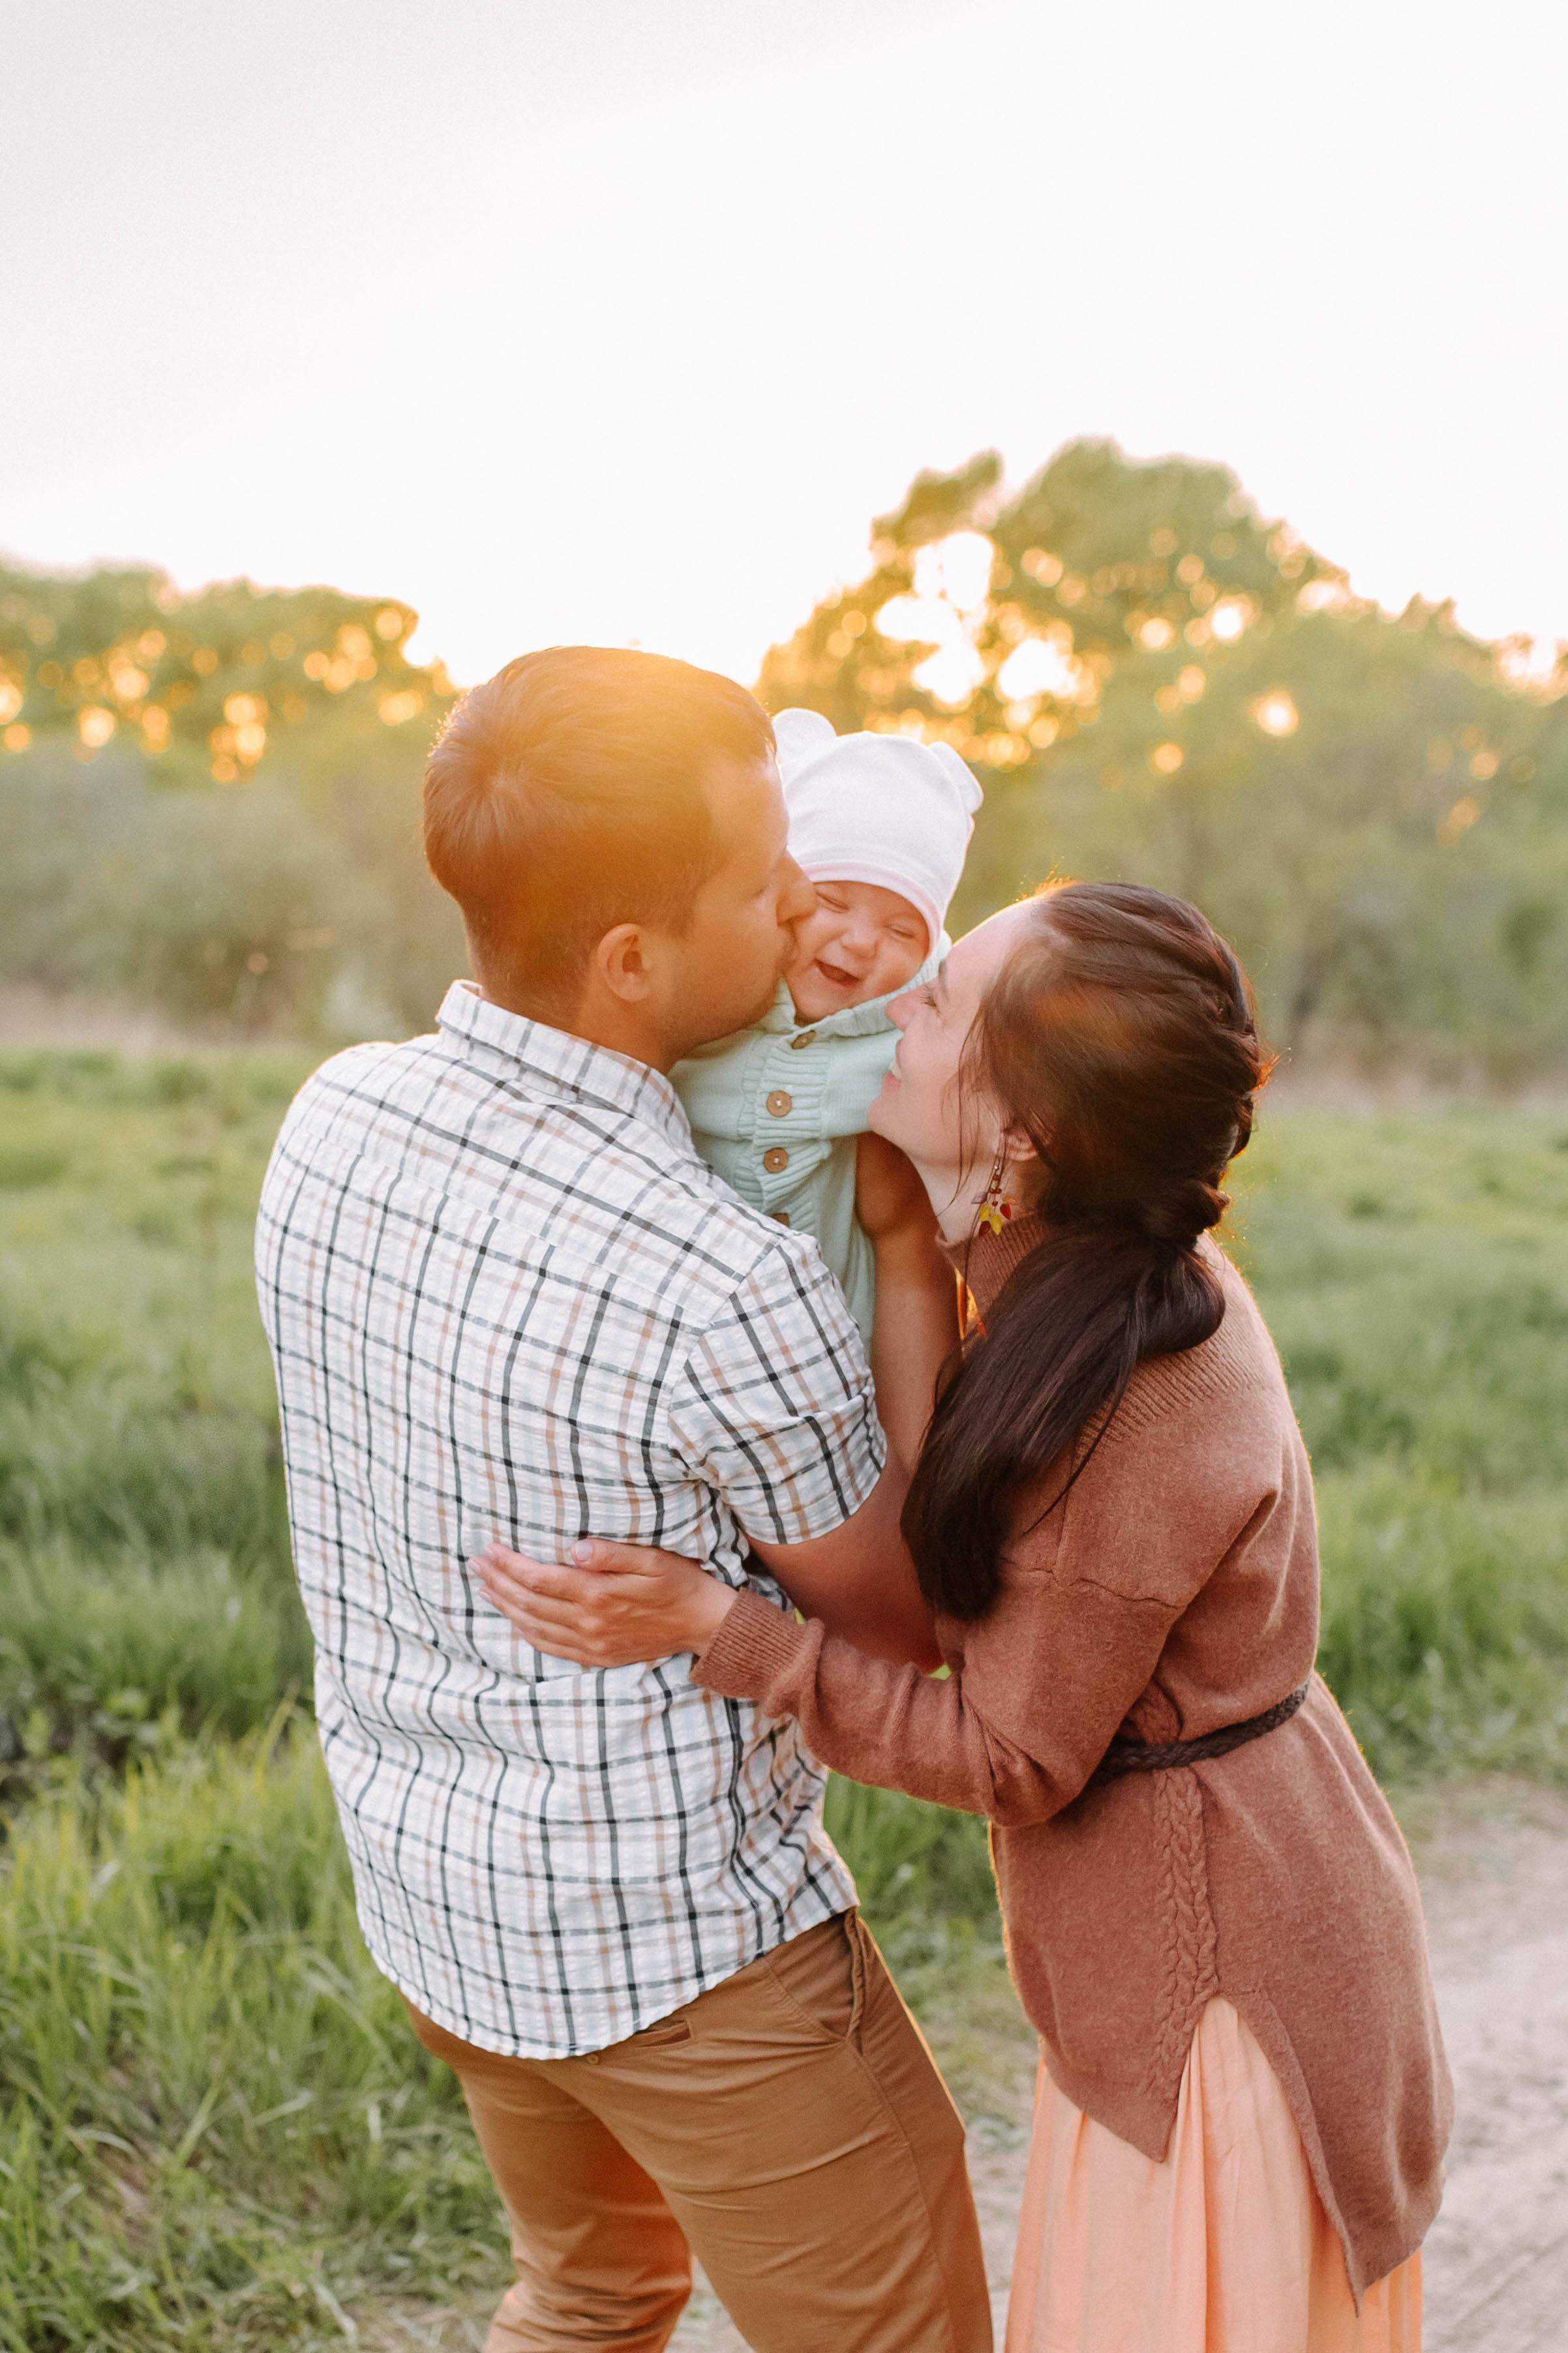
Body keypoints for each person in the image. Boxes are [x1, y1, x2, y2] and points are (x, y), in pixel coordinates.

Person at [477, 879, 1455, 2353]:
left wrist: (716, 1630)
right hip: (1169, 1945)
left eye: (938, 999)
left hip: (1217, 1991)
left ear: (1027, 1129)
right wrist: (897, 1225)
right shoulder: (1072, 1279)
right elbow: (950, 1516)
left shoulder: (1135, 1399)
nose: (900, 999)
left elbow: (1010, 1754)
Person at [254, 645, 991, 2353]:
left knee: (587, 2293)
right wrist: (900, 1246)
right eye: (763, 876)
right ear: (632, 957)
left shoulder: (333, 1114)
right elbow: (901, 1614)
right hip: (686, 1946)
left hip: (445, 1901)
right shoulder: (716, 1270)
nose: (807, 896)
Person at [672, 706, 982, 1348]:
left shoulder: (910, 1048)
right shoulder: (706, 1009)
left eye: (902, 928)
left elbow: (916, 1264)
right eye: (832, 900)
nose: (862, 940)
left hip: (848, 1356)